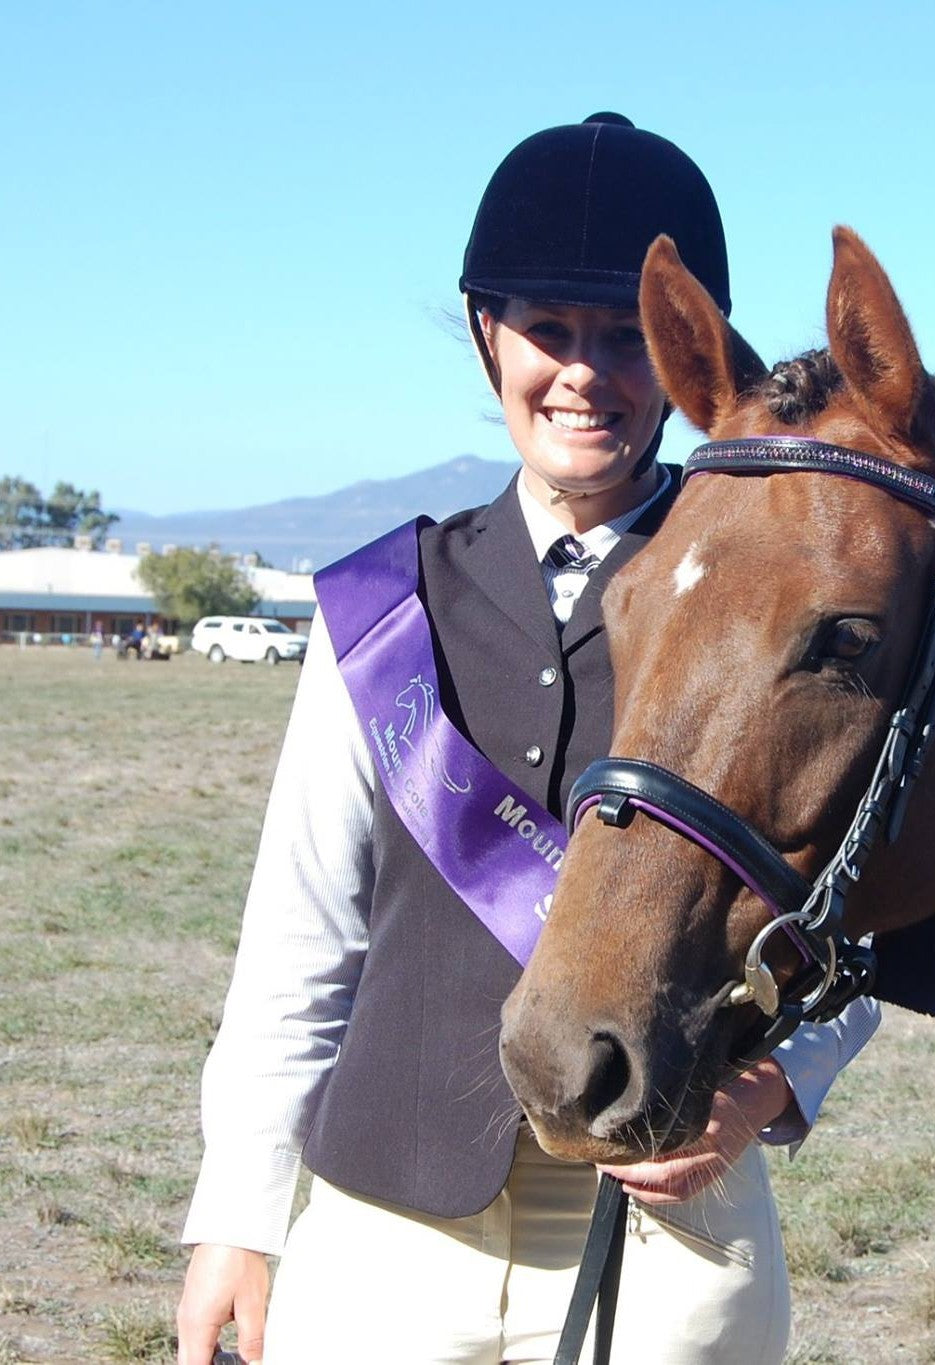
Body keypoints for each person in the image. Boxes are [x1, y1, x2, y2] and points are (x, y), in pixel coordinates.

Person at [176, 114, 879, 1365]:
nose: (585, 374)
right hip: (380, 1231)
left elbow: (863, 906)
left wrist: (773, 1087)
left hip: (668, 1242)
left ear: (686, 354)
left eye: (625, 339)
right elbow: (301, 936)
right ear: (487, 336)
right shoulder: (386, 605)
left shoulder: (779, 610)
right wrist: (239, 1216)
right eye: (550, 331)